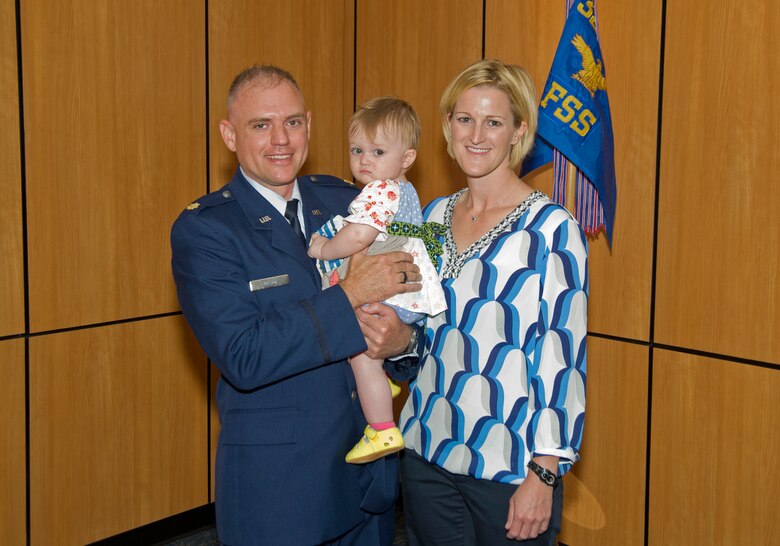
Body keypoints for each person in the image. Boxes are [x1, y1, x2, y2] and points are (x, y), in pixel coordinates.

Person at [171, 64, 422, 546]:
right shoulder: (207, 230)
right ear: (229, 134)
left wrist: (403, 341)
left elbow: (413, 290)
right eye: (260, 125)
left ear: (309, 124)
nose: (281, 139)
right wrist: (350, 294)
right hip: (283, 492)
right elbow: (245, 355)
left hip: (369, 482)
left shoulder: (352, 200)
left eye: (293, 122)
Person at [398, 59, 588, 545]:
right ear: (447, 126)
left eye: (494, 121)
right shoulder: (435, 215)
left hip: (508, 469)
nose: (476, 134)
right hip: (426, 450)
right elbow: (420, 326)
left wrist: (544, 474)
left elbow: (560, 357)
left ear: (519, 131)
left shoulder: (552, 228)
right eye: (465, 119)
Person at [308, 97, 446, 464]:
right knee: (369, 355)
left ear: (407, 158)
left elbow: (358, 237)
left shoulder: (380, 192)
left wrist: (323, 248)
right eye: (357, 150)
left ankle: (382, 429)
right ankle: (379, 385)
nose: (364, 160)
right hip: (410, 290)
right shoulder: (406, 190)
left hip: (389, 290)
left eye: (378, 151)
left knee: (360, 351)